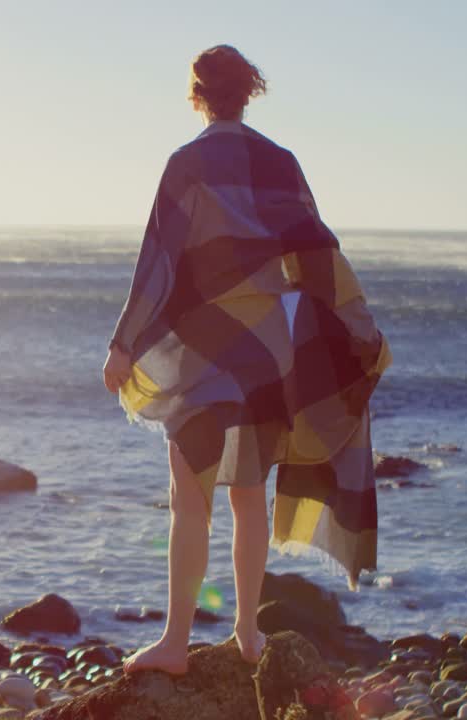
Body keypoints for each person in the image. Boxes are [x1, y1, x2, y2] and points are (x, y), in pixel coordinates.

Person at [102, 45, 392, 675]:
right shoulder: (281, 163)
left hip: (207, 349)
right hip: (266, 348)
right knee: (248, 496)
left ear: (197, 95)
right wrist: (359, 328)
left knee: (190, 498)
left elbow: (158, 265)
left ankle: (176, 644)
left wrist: (124, 344)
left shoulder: (185, 166)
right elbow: (320, 253)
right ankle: (247, 635)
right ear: (249, 91)